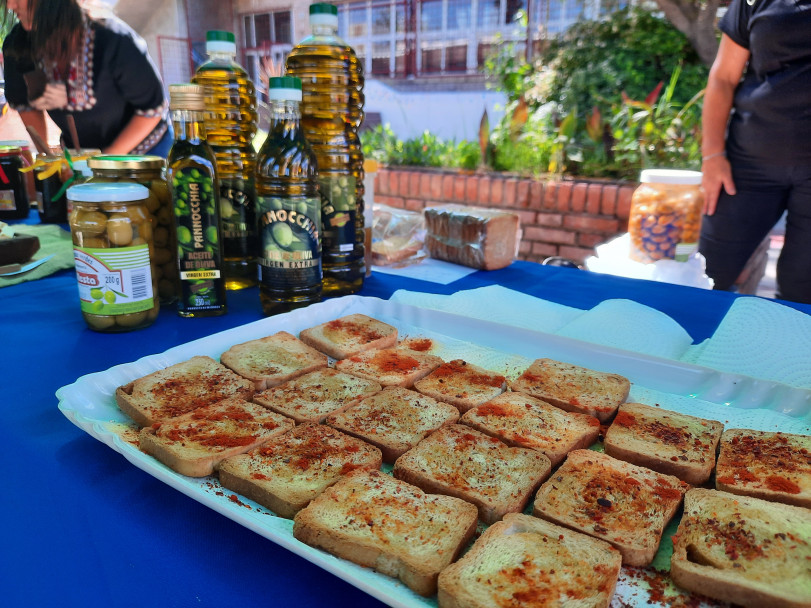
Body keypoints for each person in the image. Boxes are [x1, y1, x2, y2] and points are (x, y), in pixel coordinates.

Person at [699, 0, 811, 304]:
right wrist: (712, 156)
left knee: (802, 294)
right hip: (747, 167)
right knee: (706, 272)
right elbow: (723, 77)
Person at [1, 0, 172, 157]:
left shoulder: (113, 40)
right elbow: (26, 105)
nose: (10, 5)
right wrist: (48, 157)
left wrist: (105, 162)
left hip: (147, 154)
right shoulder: (17, 48)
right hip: (80, 158)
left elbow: (152, 109)